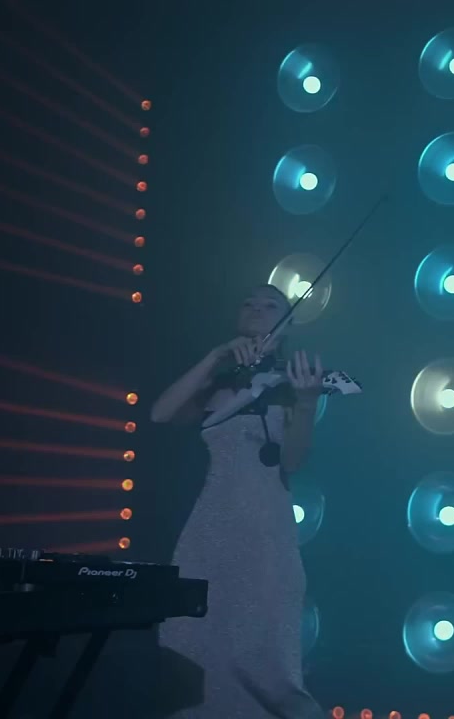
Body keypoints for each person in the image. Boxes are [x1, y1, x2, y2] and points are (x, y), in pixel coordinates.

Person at [150, 284, 326, 718]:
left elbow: (293, 461)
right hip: (206, 532)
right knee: (186, 646)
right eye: (248, 302)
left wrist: (306, 404)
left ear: (288, 323)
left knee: (265, 662)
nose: (256, 308)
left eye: (270, 305)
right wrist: (216, 357)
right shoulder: (217, 381)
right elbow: (160, 414)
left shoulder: (292, 382)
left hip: (266, 535)